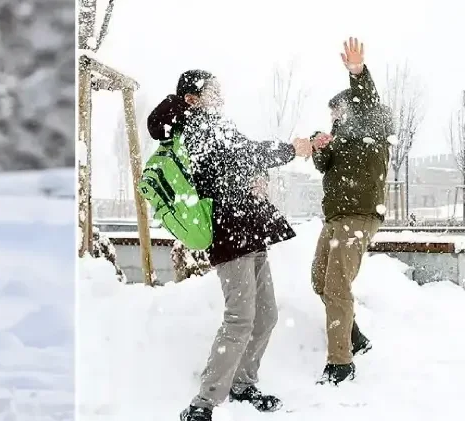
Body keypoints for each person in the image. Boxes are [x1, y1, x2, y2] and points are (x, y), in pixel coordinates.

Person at [147, 69, 313, 421]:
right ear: (193, 97)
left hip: (249, 227)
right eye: (213, 91)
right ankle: (202, 403)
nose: (220, 95)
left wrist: (258, 177)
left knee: (266, 315)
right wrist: (290, 150)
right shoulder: (193, 126)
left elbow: (239, 161)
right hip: (228, 231)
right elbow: (241, 153)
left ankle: (242, 383)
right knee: (240, 319)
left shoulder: (214, 123)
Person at [310, 37, 393, 386]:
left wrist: (357, 72)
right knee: (319, 279)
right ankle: (354, 335)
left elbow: (367, 99)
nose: (334, 117)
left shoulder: (371, 126)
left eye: (337, 112)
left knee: (337, 285)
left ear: (352, 108)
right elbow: (323, 165)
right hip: (336, 218)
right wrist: (318, 144)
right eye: (331, 115)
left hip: (359, 216)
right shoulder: (339, 137)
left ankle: (340, 363)